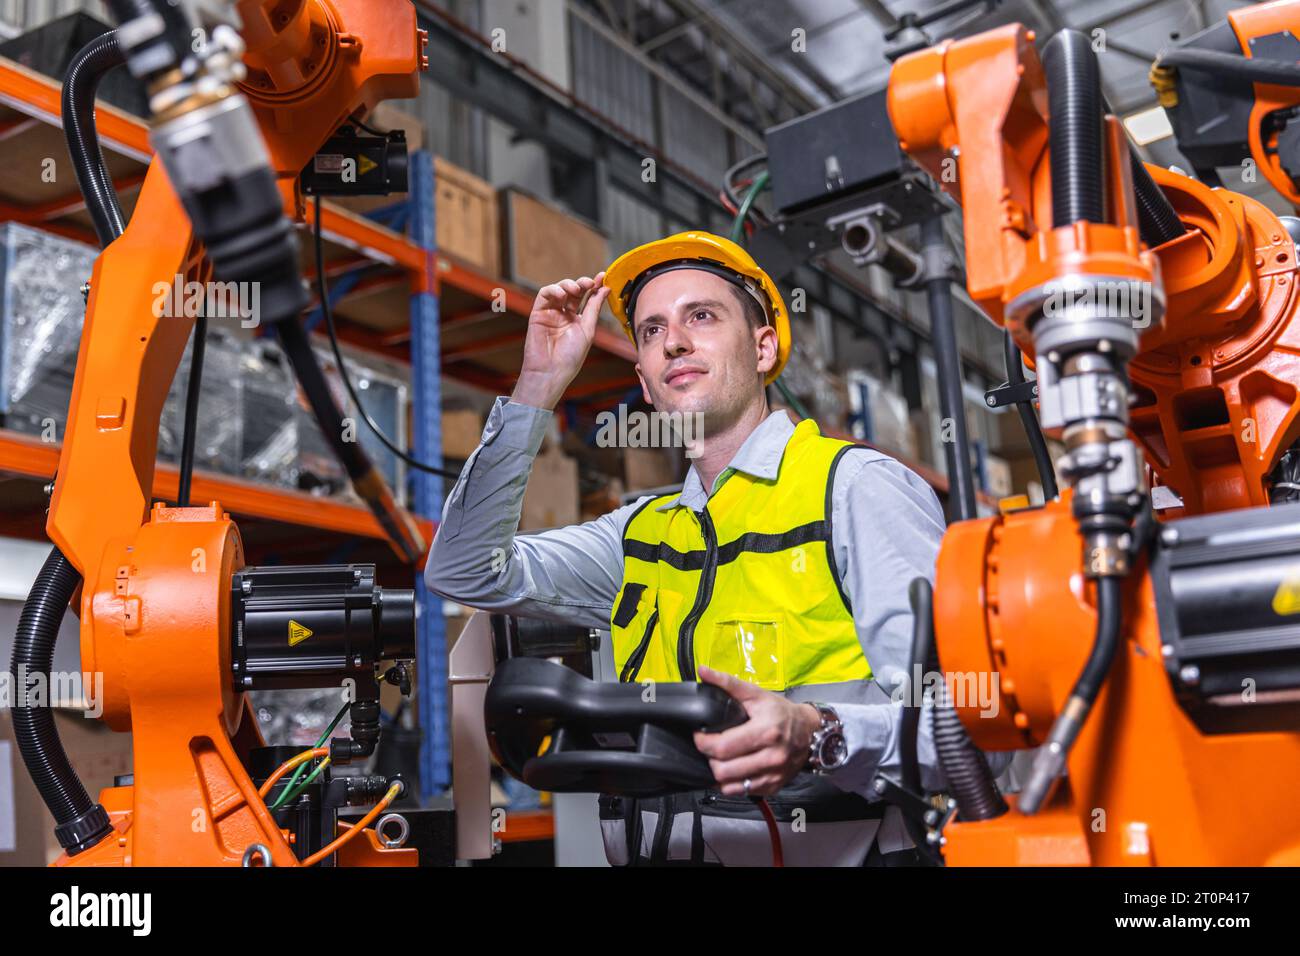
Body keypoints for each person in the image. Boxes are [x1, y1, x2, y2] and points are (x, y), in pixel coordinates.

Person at [427, 231, 993, 865]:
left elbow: (973, 723)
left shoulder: (855, 490)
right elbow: (463, 571)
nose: (673, 341)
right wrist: (536, 387)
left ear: (763, 346)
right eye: (651, 331)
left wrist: (821, 734)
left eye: (701, 315)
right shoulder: (638, 534)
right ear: (645, 382)